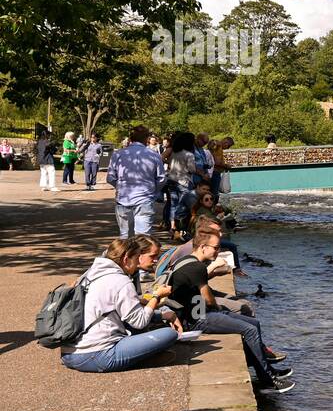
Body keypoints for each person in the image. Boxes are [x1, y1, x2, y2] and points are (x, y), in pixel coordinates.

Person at [169, 231, 294, 394]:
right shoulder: (196, 267)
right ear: (202, 247)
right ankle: (268, 380)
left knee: (254, 323)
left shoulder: (188, 261)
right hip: (196, 318)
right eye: (215, 247)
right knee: (249, 330)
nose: (218, 250)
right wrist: (217, 308)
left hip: (198, 311)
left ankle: (267, 370)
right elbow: (207, 297)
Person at [60, 236, 181, 374]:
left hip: (68, 354)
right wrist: (156, 296)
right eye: (136, 259)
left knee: (139, 329)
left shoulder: (89, 274)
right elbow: (139, 322)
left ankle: (137, 356)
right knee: (169, 334)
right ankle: (137, 359)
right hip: (97, 355)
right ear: (126, 260)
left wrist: (159, 315)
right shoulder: (121, 281)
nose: (137, 264)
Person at [107, 125, 167, 238]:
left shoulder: (118, 154)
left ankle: (127, 255)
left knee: (125, 237)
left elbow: (110, 178)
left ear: (130, 139)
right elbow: (162, 179)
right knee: (143, 239)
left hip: (123, 199)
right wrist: (153, 191)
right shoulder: (154, 155)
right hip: (145, 199)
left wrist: (120, 187)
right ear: (146, 139)